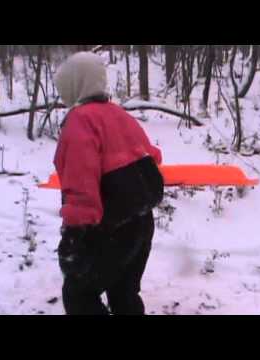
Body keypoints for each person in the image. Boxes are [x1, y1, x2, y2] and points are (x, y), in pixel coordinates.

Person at [53, 52, 164, 315]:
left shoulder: (80, 121)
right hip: (141, 223)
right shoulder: (119, 114)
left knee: (79, 294)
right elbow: (153, 156)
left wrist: (74, 235)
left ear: (74, 84)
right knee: (125, 293)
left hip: (109, 228)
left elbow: (81, 183)